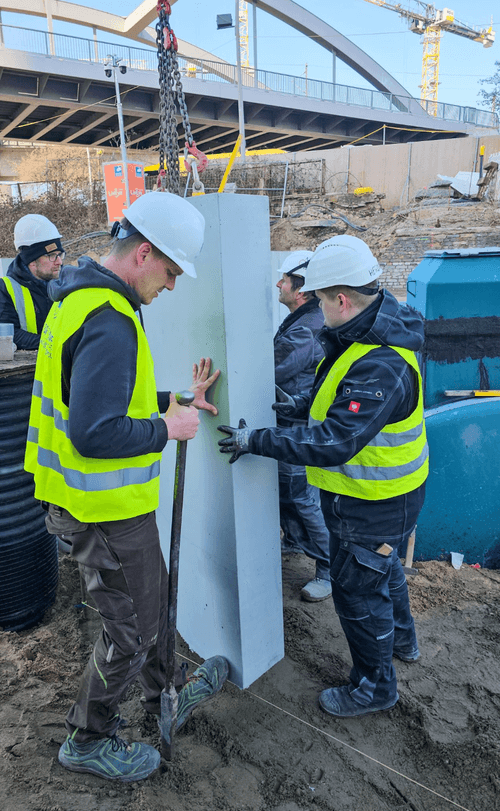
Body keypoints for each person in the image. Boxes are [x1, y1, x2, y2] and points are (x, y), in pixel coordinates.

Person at [24, 191, 229, 782]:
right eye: (171, 271)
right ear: (144, 254)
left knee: (150, 602)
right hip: (101, 508)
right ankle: (88, 738)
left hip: (96, 502)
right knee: (133, 629)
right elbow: (94, 432)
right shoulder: (110, 320)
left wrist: (173, 399)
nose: (172, 285)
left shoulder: (79, 299)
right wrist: (169, 428)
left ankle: (167, 691)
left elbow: (97, 394)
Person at [218, 235, 428, 719]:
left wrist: (256, 440)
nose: (315, 308)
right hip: (385, 494)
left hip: (373, 500)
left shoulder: (381, 361)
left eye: (318, 299)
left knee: (358, 592)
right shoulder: (369, 331)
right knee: (383, 568)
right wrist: (298, 406)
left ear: (341, 299)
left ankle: (374, 687)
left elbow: (335, 442)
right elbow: (341, 401)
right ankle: (403, 642)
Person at [274, 251, 332, 602]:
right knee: (290, 494)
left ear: (302, 290)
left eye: (284, 280)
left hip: (296, 427)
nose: (278, 284)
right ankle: (295, 542)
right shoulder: (303, 320)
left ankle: (328, 569)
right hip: (292, 422)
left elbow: (271, 368)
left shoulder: (305, 330)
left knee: (301, 497)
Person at [0, 214, 65, 349]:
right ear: (32, 261)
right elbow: (8, 334)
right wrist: (54, 344)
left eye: (60, 255)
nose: (59, 261)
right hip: (30, 362)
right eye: (51, 255)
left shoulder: (67, 283)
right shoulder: (6, 289)